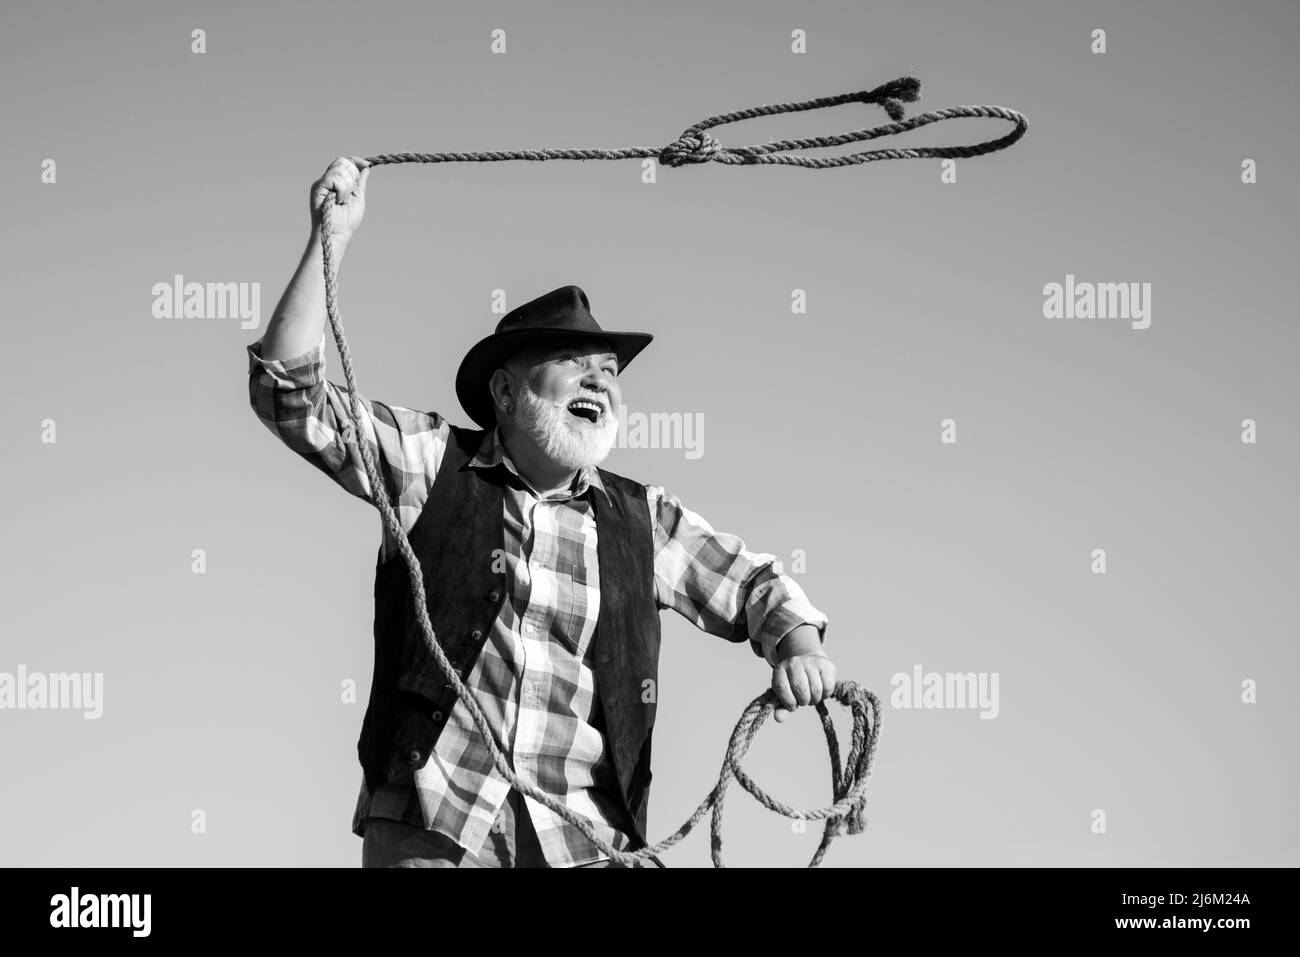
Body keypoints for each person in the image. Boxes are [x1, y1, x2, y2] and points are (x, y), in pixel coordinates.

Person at [246, 156, 836, 868]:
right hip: (438, 826)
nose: (600, 379)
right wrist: (329, 240)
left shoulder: (642, 521)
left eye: (610, 372)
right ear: (504, 389)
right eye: (573, 360)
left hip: (588, 840)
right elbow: (290, 395)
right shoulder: (432, 464)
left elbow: (756, 584)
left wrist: (798, 646)